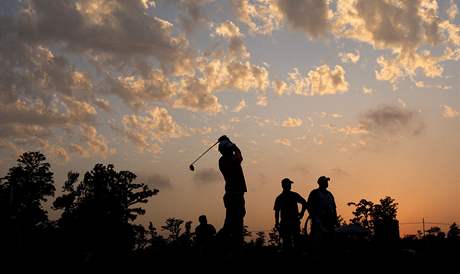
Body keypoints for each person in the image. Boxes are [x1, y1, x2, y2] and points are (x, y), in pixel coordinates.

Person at [217, 135, 247, 248]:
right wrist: (230, 142)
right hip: (235, 196)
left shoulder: (221, 161)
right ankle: (218, 242)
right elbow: (239, 152)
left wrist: (227, 142)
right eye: (230, 149)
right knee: (234, 224)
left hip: (231, 195)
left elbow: (236, 152)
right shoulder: (232, 160)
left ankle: (232, 245)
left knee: (233, 223)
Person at [274, 178, 307, 251]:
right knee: (290, 243)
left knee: (292, 243)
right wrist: (301, 214)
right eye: (289, 184)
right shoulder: (283, 197)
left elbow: (304, 203)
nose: (290, 186)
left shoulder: (281, 197)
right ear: (284, 185)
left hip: (291, 222)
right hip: (288, 223)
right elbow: (277, 211)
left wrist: (301, 213)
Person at [306, 176, 338, 243]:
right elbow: (309, 206)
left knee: (329, 240)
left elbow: (334, 208)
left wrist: (335, 220)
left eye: (327, 182)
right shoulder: (314, 193)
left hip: (329, 221)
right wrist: (314, 217)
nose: (327, 183)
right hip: (318, 221)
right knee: (318, 240)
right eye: (325, 181)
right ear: (320, 183)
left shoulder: (330, 194)